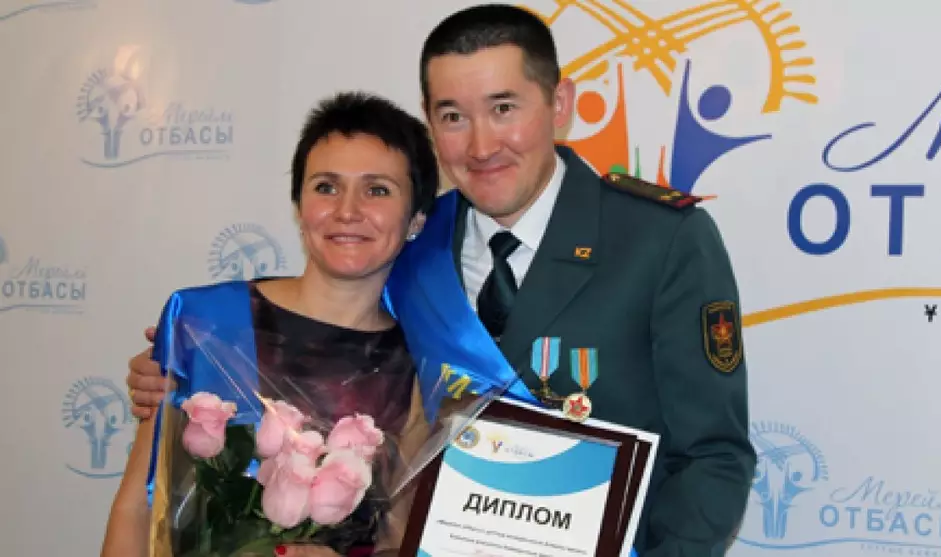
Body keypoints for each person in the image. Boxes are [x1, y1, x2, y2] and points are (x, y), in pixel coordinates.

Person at [128, 4, 756, 556]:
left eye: (503, 109)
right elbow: (320, 318)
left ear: (559, 105)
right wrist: (190, 360)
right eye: (453, 116)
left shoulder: (660, 240)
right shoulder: (411, 240)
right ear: (430, 123)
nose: (481, 146)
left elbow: (713, 456)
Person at [102, 91, 440, 557]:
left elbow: (400, 540)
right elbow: (138, 508)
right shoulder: (204, 321)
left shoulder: (419, 367)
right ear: (299, 206)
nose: (347, 210)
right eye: (326, 187)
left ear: (417, 218)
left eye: (377, 190)